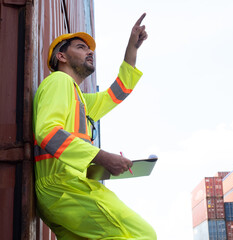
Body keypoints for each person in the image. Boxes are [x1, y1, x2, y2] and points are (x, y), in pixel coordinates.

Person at [33, 13, 156, 240]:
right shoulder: (59, 81)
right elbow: (47, 133)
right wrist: (102, 157)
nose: (89, 51)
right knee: (142, 235)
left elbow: (118, 93)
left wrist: (132, 49)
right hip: (64, 186)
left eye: (89, 49)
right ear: (61, 56)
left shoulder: (78, 97)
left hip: (61, 192)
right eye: (80, 47)